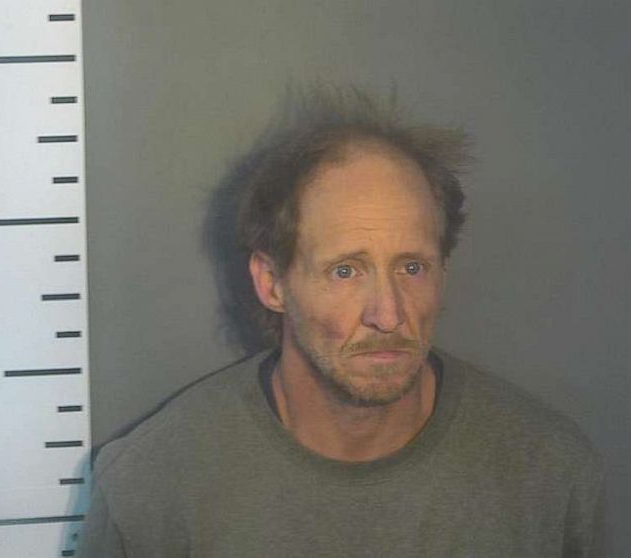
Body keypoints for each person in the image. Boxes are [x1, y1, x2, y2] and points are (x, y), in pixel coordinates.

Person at [77, 88, 604, 557]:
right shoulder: (153, 488)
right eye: (346, 271)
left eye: (412, 268)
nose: (388, 314)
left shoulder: (549, 473)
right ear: (272, 282)